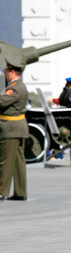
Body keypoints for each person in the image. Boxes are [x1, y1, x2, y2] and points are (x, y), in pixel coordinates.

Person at [0, 57, 29, 201]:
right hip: (18, 128)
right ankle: (20, 192)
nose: (5, 73)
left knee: (5, 162)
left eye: (6, 71)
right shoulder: (20, 86)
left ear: (12, 72)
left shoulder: (14, 88)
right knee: (18, 161)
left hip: (10, 129)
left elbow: (1, 102)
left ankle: (1, 191)